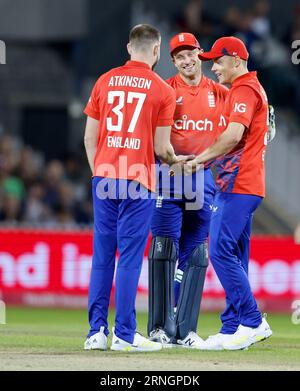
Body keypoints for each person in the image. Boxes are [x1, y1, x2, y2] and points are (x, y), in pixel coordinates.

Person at [83, 24, 184, 352]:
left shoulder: (104, 80)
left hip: (104, 177)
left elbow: (89, 137)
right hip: (138, 181)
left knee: (102, 257)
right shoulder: (162, 90)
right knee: (128, 258)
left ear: (129, 47)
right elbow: (161, 148)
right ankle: (124, 335)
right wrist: (183, 162)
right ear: (156, 51)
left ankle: (96, 333)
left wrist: (99, 173)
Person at [185, 36, 273, 350]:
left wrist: (198, 160)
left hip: (238, 185)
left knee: (221, 252)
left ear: (235, 59)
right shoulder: (251, 89)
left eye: (218, 61)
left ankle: (252, 321)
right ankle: (233, 327)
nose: (214, 67)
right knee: (235, 256)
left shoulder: (245, 90)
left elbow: (233, 134)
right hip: (242, 184)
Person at [148, 32, 228, 348]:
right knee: (163, 249)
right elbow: (154, 136)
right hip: (168, 176)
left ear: (199, 53)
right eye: (179, 56)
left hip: (202, 179)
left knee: (194, 254)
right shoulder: (165, 90)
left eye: (190, 53)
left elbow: (238, 128)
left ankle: (185, 329)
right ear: (173, 61)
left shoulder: (220, 93)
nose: (186, 60)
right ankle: (158, 328)